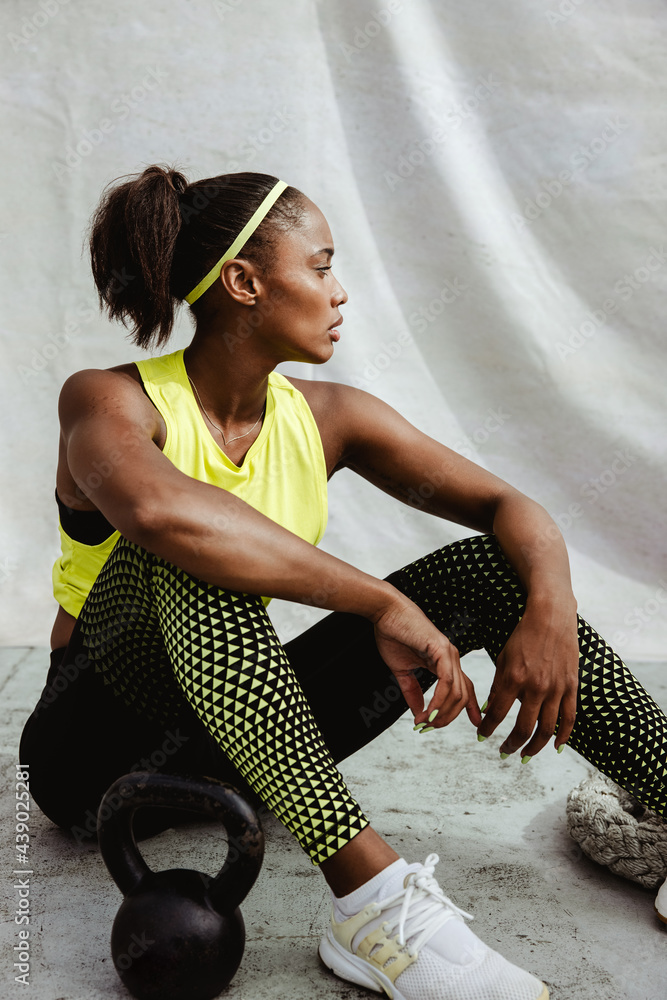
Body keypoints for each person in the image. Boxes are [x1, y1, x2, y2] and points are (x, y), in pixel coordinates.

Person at [19, 165, 667, 1000]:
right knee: (191, 550)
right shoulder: (109, 402)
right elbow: (163, 515)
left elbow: (509, 507)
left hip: (244, 736)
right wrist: (381, 601)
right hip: (94, 757)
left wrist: (547, 604)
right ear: (246, 283)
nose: (339, 292)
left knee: (490, 568)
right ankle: (373, 907)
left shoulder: (330, 418)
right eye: (319, 266)